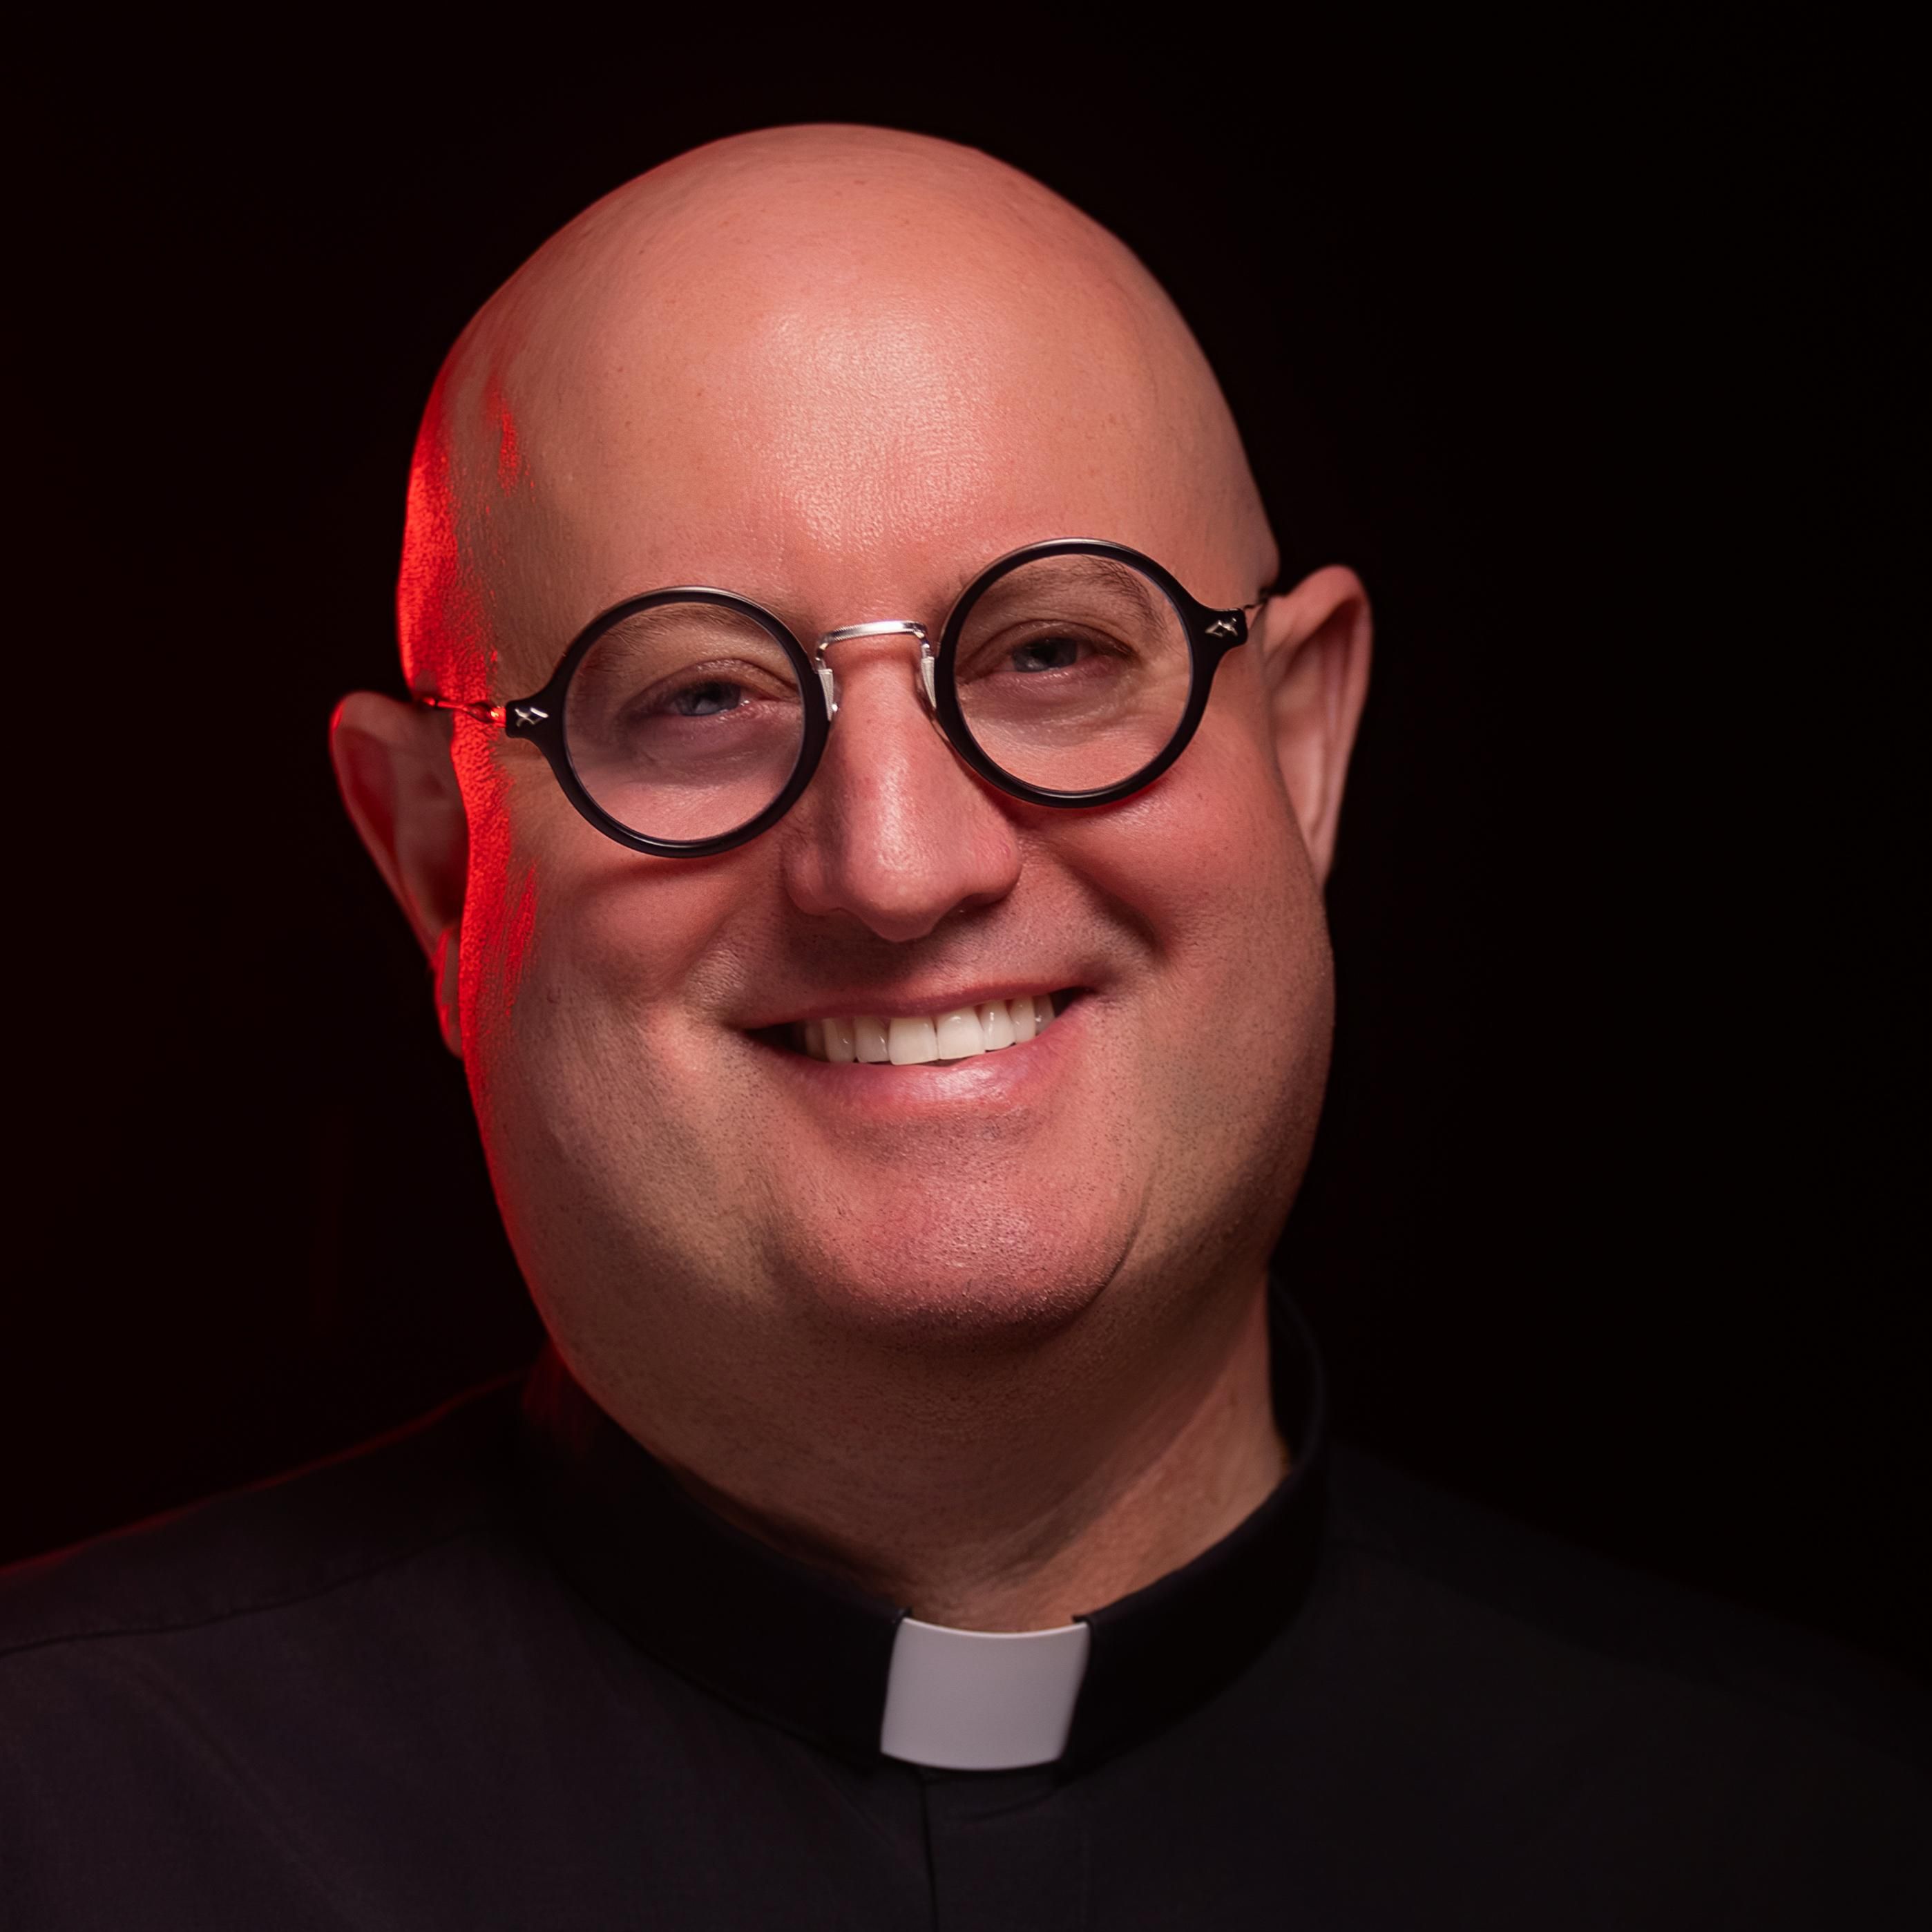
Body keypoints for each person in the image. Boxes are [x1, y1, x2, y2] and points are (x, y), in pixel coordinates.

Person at [1, 124, 1924, 1931]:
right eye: (694, 698)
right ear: (441, 864)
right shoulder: (58, 1817)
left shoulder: (1826, 1841)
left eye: (1053, 651)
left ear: (1305, 747)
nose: (899, 865)